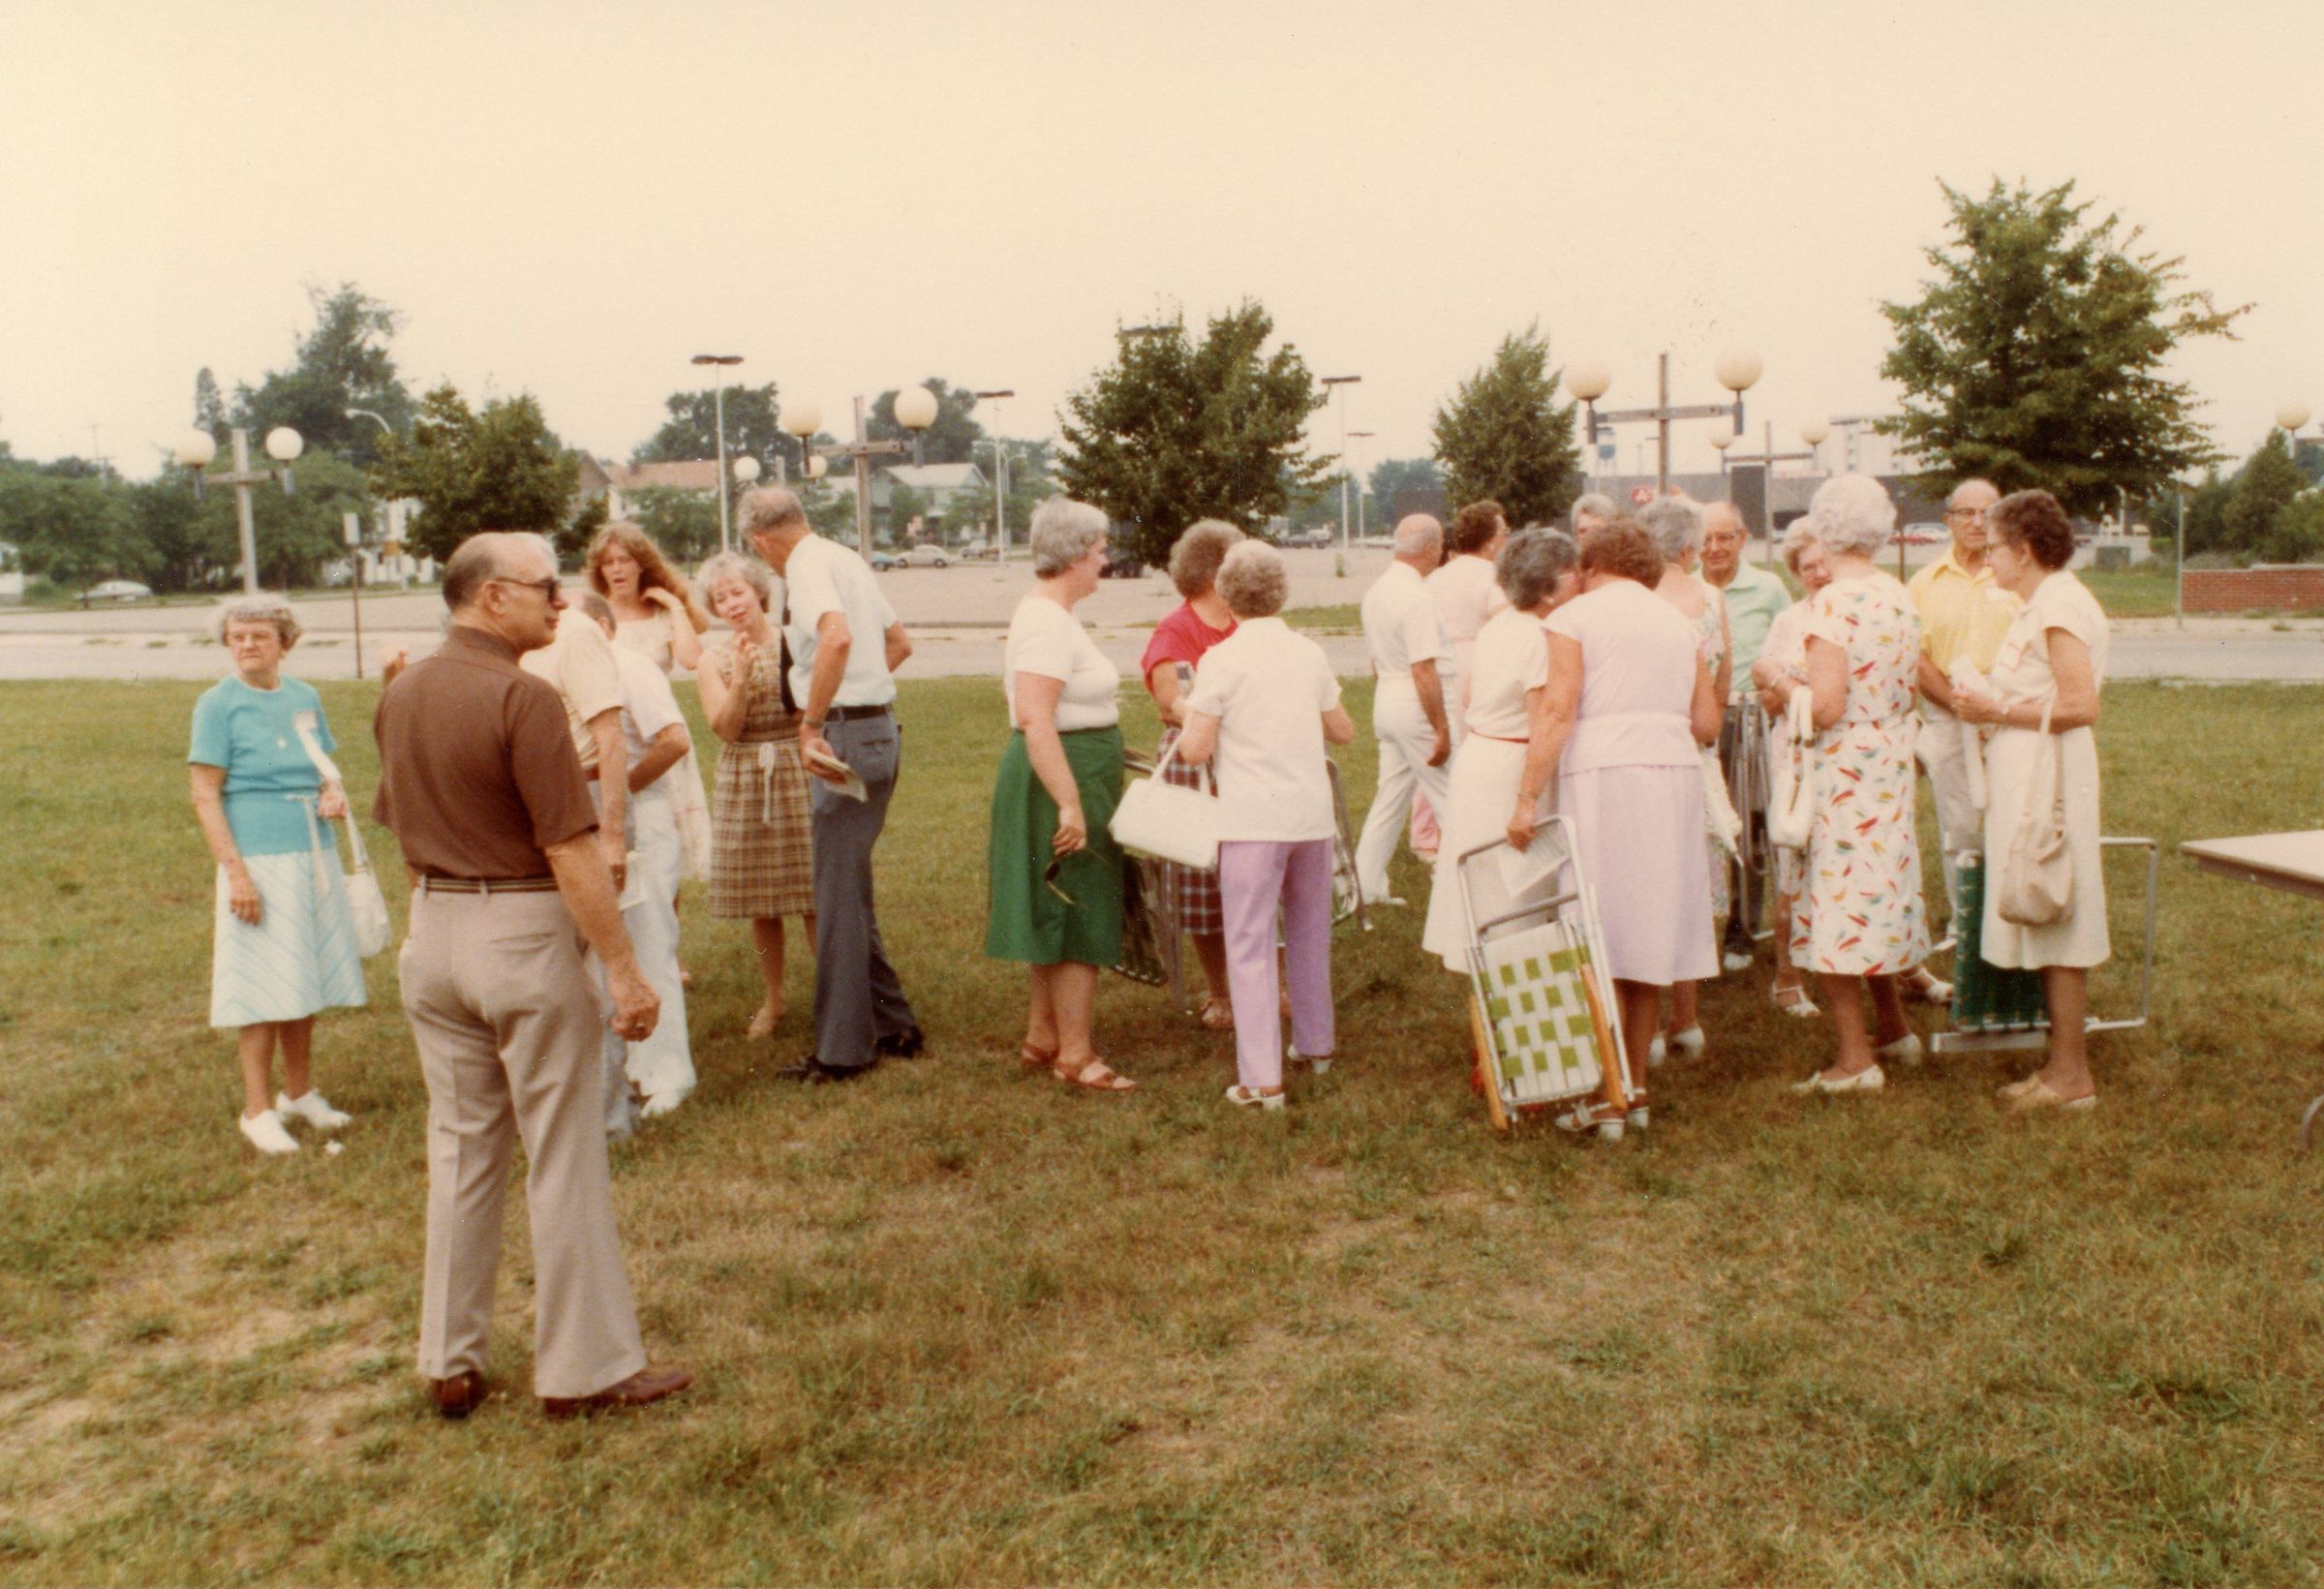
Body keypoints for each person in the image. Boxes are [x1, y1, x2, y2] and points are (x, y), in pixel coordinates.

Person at [374, 531, 688, 1421]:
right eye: (545, 587)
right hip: (521, 932)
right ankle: (585, 1367)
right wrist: (624, 970)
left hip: (433, 930)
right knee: (563, 1152)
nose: (560, 602)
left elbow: (402, 829)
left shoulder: (402, 693)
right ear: (490, 596)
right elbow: (570, 849)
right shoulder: (524, 697)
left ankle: (449, 1358)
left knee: (461, 1147)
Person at [1509, 522, 1722, 1129]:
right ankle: (1632, 1088)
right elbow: (1707, 723)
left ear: (1592, 565)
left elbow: (1557, 708)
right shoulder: (1679, 622)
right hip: (1672, 773)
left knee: (1597, 924)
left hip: (1606, 774)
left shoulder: (1574, 618)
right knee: (1647, 926)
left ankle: (1610, 1091)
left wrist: (1526, 797)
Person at [741, 487, 924, 1080]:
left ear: (761, 540)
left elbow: (837, 637)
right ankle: (894, 1023)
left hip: (844, 737)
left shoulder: (804, 566)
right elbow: (898, 644)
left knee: (836, 898)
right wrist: (855, 694)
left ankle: (843, 1051)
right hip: (875, 730)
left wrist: (816, 719)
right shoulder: (843, 557)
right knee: (849, 889)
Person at [1175, 540, 1357, 1109]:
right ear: (1281, 593)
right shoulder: (1308, 653)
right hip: (1310, 817)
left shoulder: (1221, 660)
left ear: (1226, 595)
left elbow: (1194, 750)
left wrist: (1192, 712)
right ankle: (1316, 1044)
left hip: (1253, 820)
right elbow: (1343, 730)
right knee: (1309, 933)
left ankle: (1261, 1079)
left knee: (1250, 944)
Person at [187, 594, 366, 1155]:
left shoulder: (304, 696)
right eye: (237, 637)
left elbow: (323, 769)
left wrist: (332, 791)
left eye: (259, 636)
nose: (246, 645)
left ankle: (299, 1092)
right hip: (257, 860)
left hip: (312, 853)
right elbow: (205, 795)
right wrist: (237, 877)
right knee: (261, 984)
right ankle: (257, 1110)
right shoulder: (217, 704)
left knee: (304, 972)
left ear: (284, 644)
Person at [1953, 489, 2112, 1113]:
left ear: (2024, 550)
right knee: (2043, 909)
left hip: (2051, 778)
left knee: (2057, 906)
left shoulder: (2061, 605)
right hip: (2028, 773)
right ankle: (2061, 1064)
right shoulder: (2037, 605)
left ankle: (2072, 1075)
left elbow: (2080, 704)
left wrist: (1995, 709)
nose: (1987, 557)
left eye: (1994, 547)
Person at [1787, 474, 1932, 1096]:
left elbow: (1825, 706)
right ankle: (1894, 1028)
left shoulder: (1831, 603)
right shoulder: (1897, 594)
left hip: (1846, 764)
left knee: (1838, 902)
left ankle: (1854, 1058)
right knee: (1878, 891)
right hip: (1891, 755)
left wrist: (1782, 684)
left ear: (1824, 528)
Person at [987, 499, 1136, 1092]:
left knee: (1058, 902)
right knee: (1078, 905)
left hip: (1075, 771)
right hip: (1061, 777)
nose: (1105, 560)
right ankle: (1075, 1054)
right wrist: (1069, 801)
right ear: (1074, 554)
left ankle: (1043, 1035)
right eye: (1099, 549)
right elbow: (1035, 716)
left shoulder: (1053, 616)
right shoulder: (1047, 622)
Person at [1420, 530, 1582, 972]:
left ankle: (1491, 990)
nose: (1581, 579)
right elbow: (1543, 720)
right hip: (1513, 766)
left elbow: (1469, 696)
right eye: (1572, 573)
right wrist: (1527, 799)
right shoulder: (1542, 637)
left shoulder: (1497, 626)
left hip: (1480, 758)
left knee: (1484, 884)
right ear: (1547, 590)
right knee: (1516, 889)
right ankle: (1516, 988)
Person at [691, 550, 816, 1041]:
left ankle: (834, 994)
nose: (732, 603)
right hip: (745, 776)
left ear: (759, 592)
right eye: (721, 598)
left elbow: (811, 708)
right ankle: (774, 998)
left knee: (815, 893)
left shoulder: (794, 642)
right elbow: (725, 728)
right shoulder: (712, 660)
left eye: (738, 592)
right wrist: (740, 680)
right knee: (761, 901)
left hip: (797, 766)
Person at [579, 594, 695, 1120]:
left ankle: (668, 1075)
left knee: (649, 945)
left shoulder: (632, 668)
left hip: (641, 820)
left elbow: (674, 740)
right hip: (588, 826)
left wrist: (618, 793)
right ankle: (620, 1069)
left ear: (603, 626)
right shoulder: (571, 675)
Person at [1908, 477, 2017, 973]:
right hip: (1949, 716)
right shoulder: (1924, 583)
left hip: (2011, 716)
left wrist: (1996, 708)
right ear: (1947, 520)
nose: (1976, 522)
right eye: (1965, 513)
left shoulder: (2016, 576)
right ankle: (1965, 924)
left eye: (1987, 512)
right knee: (1960, 824)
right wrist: (1958, 703)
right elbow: (1915, 657)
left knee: (2015, 817)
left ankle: (2014, 916)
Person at [1138, 518, 1243, 1028]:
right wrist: (1219, 717)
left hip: (1247, 760)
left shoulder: (1248, 622)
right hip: (1196, 762)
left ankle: (1270, 986)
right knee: (1204, 883)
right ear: (1215, 570)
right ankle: (1220, 992)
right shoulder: (1176, 629)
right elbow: (1170, 701)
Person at [1640, 496, 1732, 1066]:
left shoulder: (1636, 602)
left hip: (1647, 754)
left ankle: (1646, 1025)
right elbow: (1721, 684)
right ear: (1689, 547)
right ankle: (1687, 1019)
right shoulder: (1712, 599)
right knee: (1692, 885)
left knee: (1646, 885)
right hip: (1698, 752)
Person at [588, 522, 715, 882]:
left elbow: (691, 658)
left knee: (668, 847)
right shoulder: (596, 616)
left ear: (641, 563)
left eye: (625, 560)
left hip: (661, 734)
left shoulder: (661, 614)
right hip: (614, 732)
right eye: (608, 562)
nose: (617, 569)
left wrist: (674, 604)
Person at [1749, 520, 1837, 1017]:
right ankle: (1786, 976)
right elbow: (1766, 693)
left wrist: (1792, 686)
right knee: (1794, 859)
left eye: (1825, 563)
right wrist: (1792, 688)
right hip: (1798, 752)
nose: (1819, 573)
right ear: (1796, 574)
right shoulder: (1788, 621)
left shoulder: (1854, 613)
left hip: (1847, 754)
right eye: (1808, 568)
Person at [1702, 501, 1793, 968]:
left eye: (1725, 537)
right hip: (1700, 719)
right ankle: (1698, 927)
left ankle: (1742, 929)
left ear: (1743, 538)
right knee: (1700, 825)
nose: (1714, 547)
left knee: (1749, 824)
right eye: (1705, 538)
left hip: (1750, 717)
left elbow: (1792, 646)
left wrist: (1774, 693)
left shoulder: (1768, 587)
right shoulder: (1688, 589)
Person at [1351, 513, 1452, 905]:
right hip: (1414, 702)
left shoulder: (1377, 591)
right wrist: (1440, 727)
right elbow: (1423, 669)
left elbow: (1377, 661)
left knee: (1390, 797)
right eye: (1440, 544)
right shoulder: (1416, 598)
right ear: (1429, 548)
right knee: (1452, 797)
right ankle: (1458, 889)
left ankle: (1366, 885)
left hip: (1388, 699)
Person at [1413, 500, 1511, 856]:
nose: (1506, 539)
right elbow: (1505, 619)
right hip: (1474, 660)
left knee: (1439, 747)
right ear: (1489, 540)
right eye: (1504, 532)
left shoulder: (1436, 577)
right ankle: (1465, 825)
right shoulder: (1492, 576)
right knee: (1472, 745)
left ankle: (1425, 832)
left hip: (1436, 660)